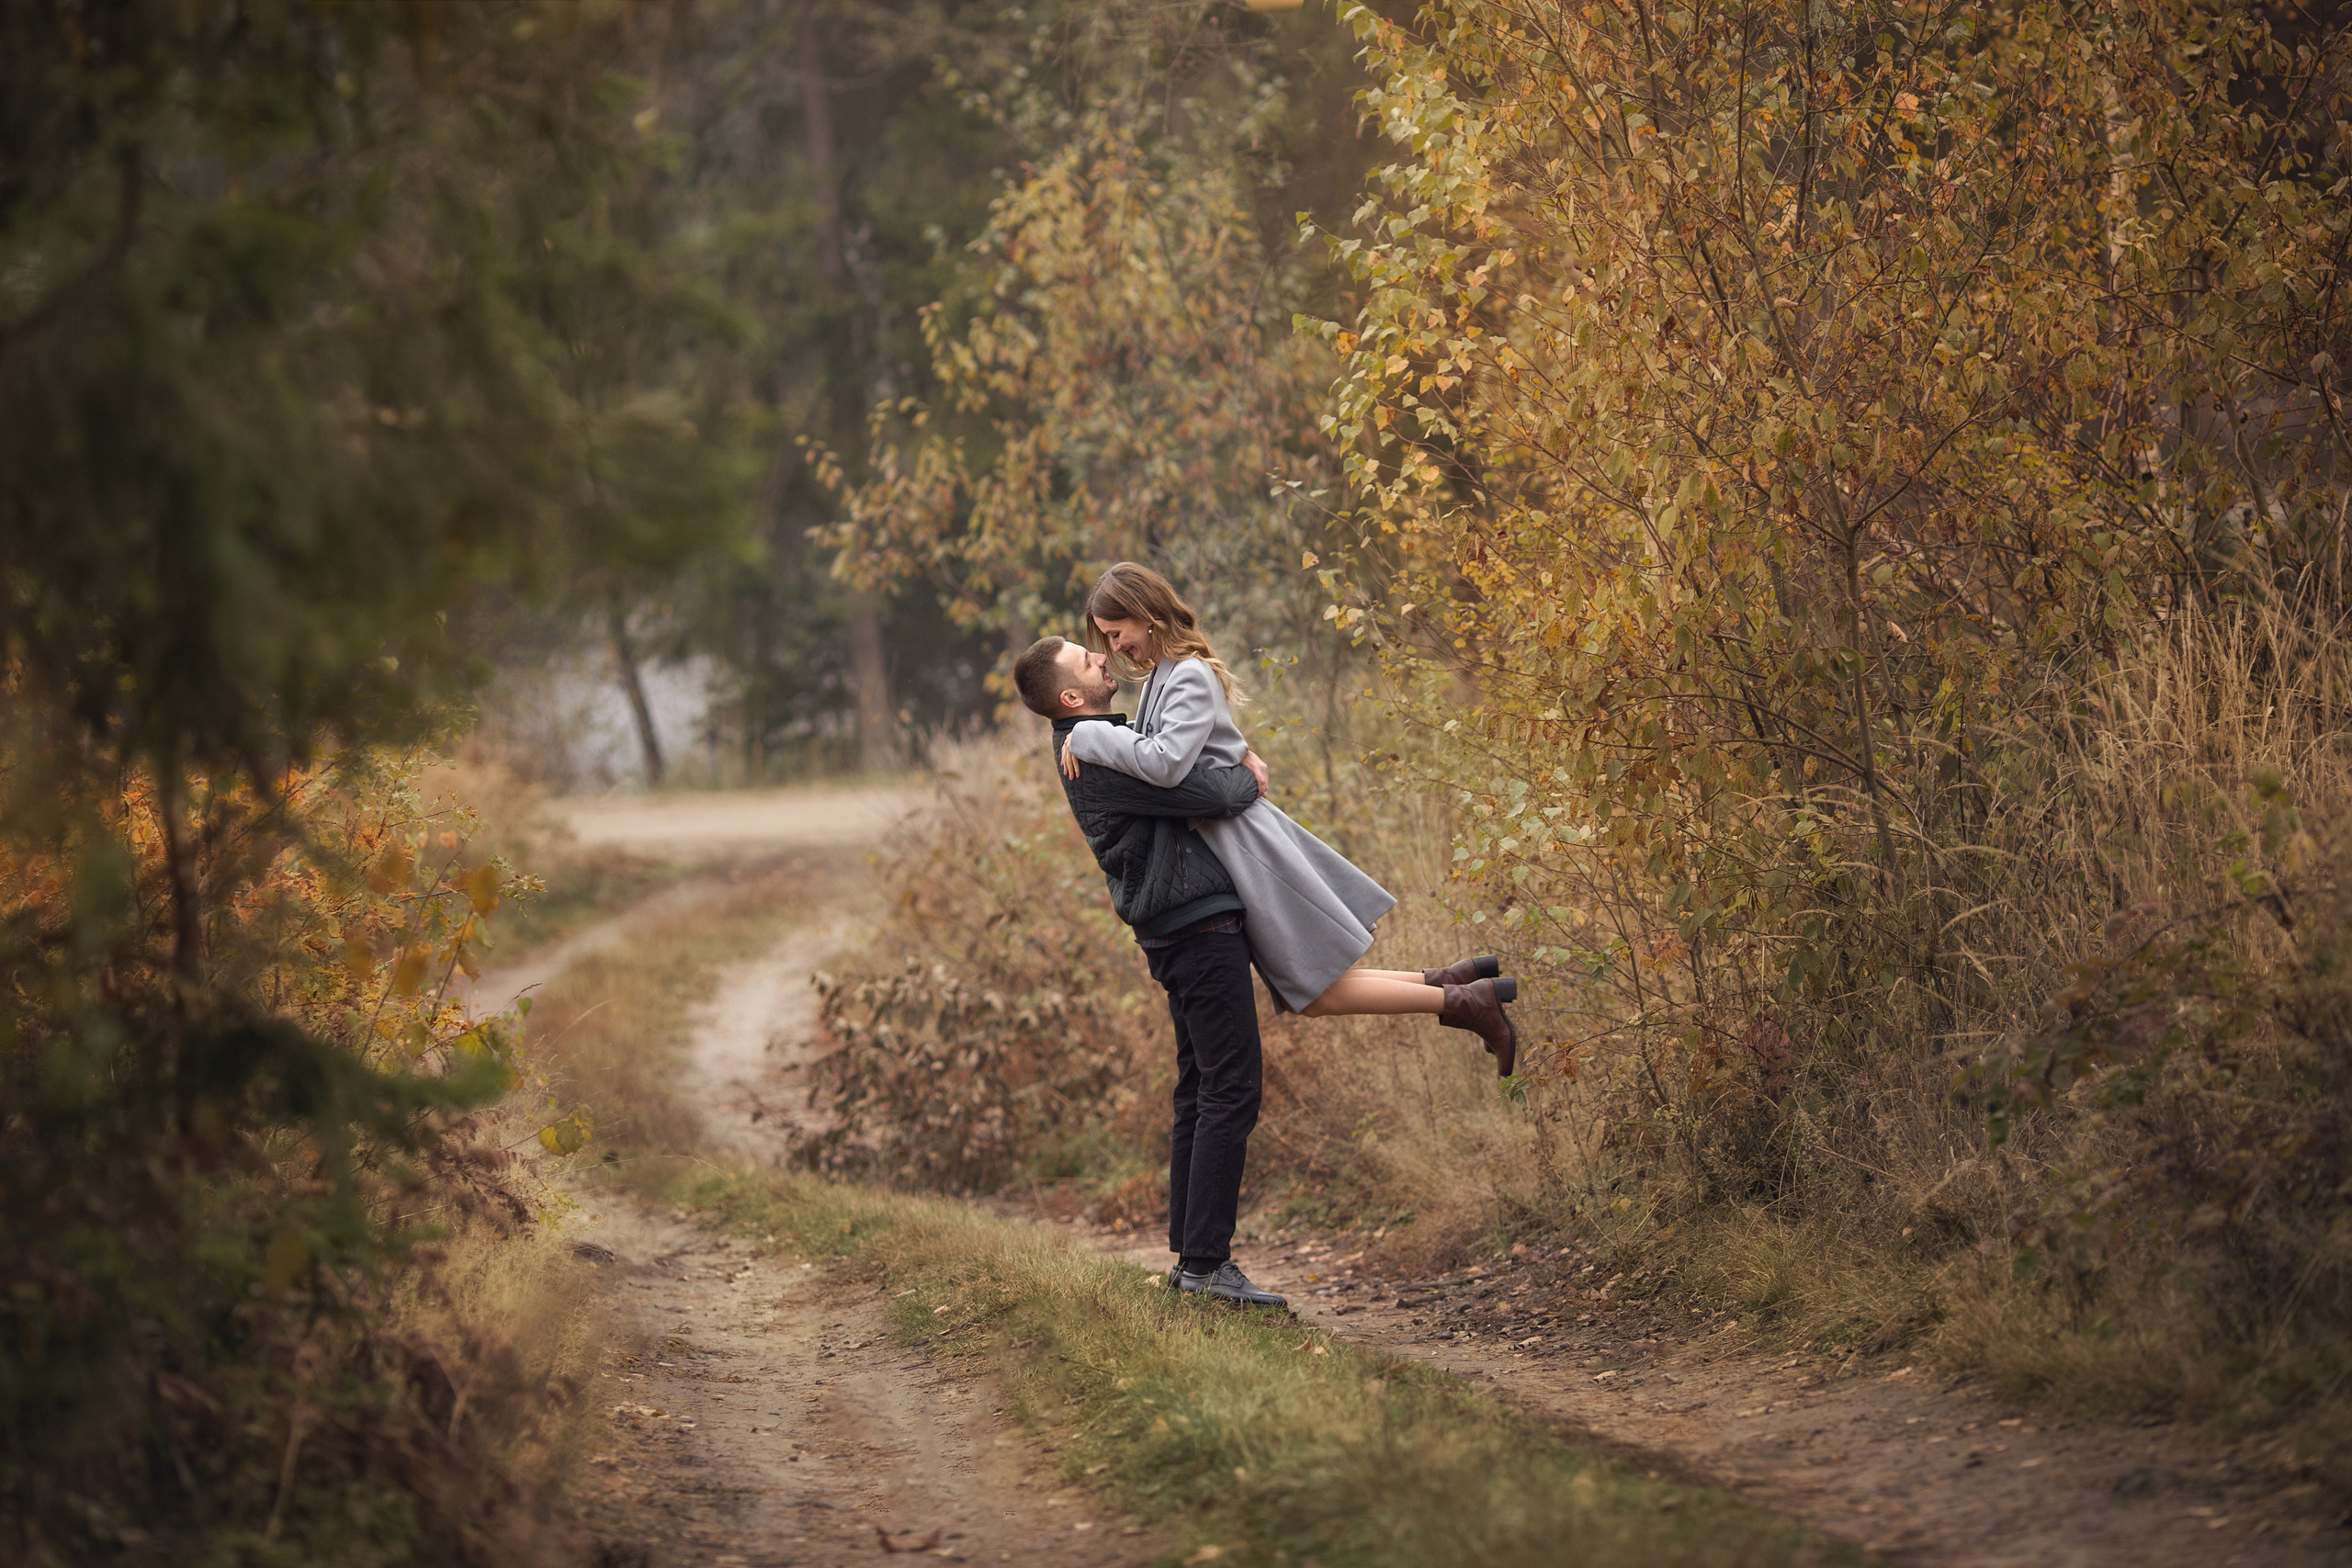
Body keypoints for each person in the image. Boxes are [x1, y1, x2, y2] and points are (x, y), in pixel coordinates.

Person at [1054, 561, 1521, 1072]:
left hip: (1246, 846)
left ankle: (1464, 998)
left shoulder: (1185, 673)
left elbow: (1166, 763)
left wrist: (1090, 733)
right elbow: (1198, 744)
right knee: (1313, 987)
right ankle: (1455, 987)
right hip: (1232, 846)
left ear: (1146, 616)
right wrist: (1241, 750)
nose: (1115, 647)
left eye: (1116, 634)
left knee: (1311, 988)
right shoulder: (1165, 677)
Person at [1012, 633, 1288, 1307]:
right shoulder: (1098, 757)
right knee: (1230, 1086)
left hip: (1177, 927)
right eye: (1088, 658)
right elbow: (1208, 792)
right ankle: (1207, 1266)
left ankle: (1194, 1263)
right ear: (1071, 697)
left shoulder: (1097, 741)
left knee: (1200, 1085)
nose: (1103, 656)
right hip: (1196, 924)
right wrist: (1246, 770)